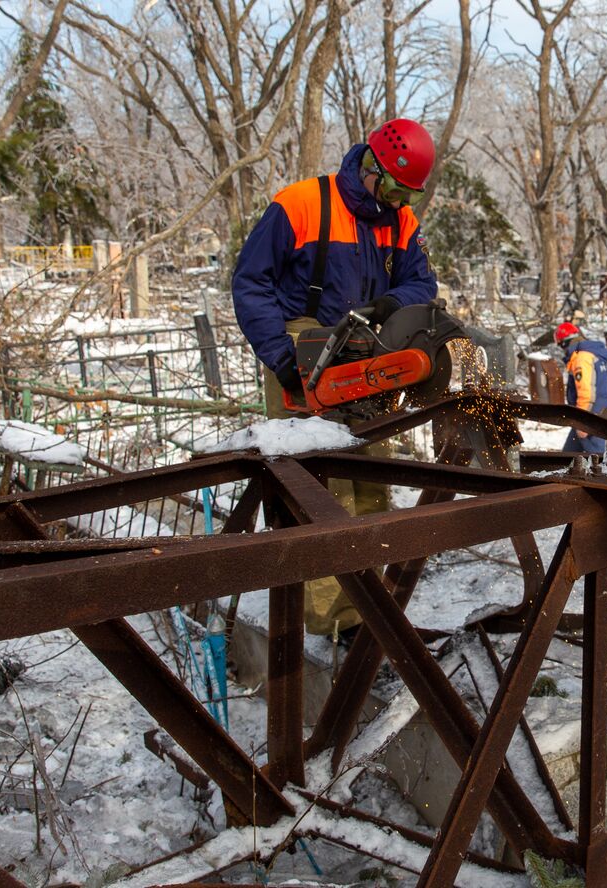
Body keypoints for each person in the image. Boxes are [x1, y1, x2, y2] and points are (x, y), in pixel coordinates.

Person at [232, 117, 439, 640]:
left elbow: (422, 283)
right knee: (320, 487)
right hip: (300, 342)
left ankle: (369, 605)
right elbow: (251, 282)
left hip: (365, 347)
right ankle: (330, 623)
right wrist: (280, 357)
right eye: (394, 190)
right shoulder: (301, 204)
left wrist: (392, 302)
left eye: (408, 195)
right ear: (372, 167)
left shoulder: (400, 221)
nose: (399, 202)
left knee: (371, 478)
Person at [555, 322, 607, 453]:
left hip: (589, 418)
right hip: (595, 413)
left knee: (596, 459)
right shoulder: (595, 355)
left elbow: (586, 393)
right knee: (567, 457)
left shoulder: (582, 358)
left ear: (564, 343)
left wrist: (582, 423)